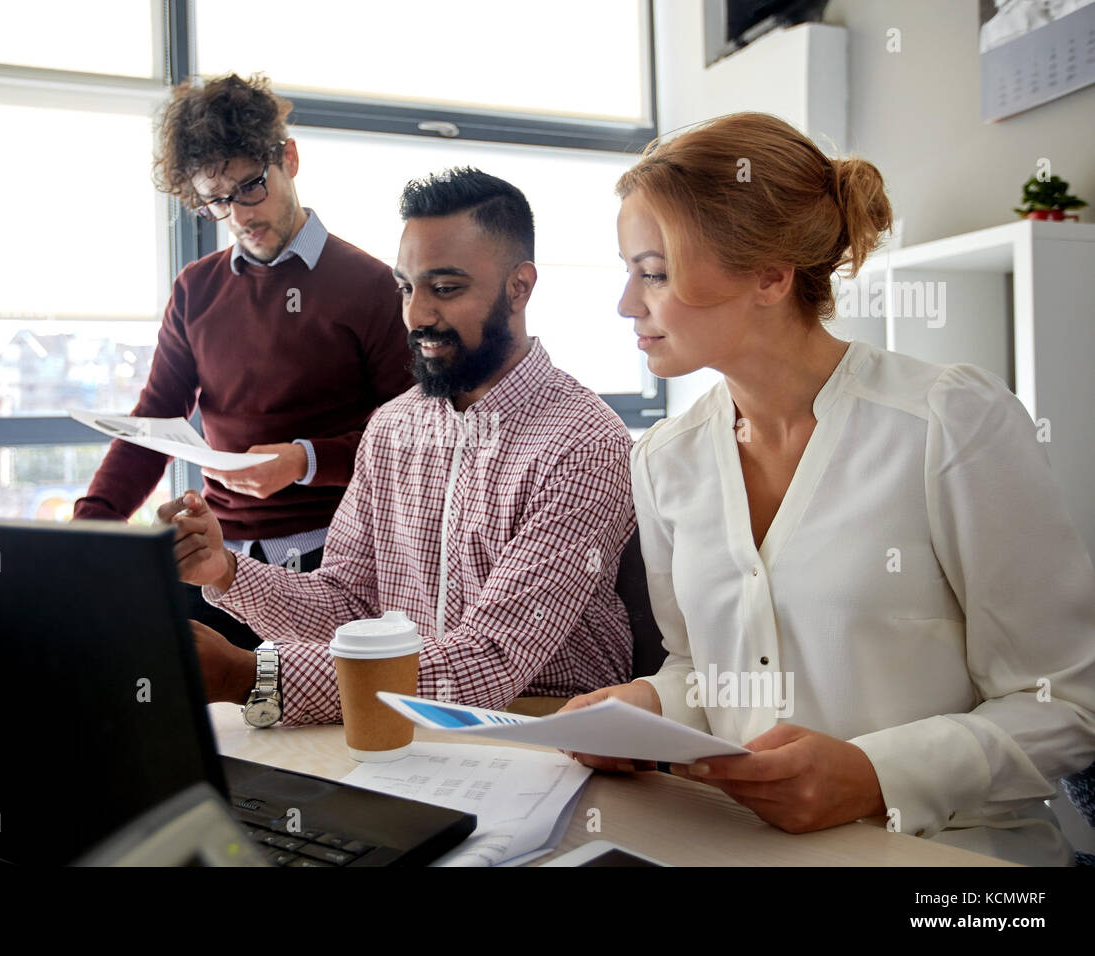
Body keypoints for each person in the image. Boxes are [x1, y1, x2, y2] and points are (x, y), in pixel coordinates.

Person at [564, 112, 1095, 867]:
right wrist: (647, 706)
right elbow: (702, 670)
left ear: (771, 276)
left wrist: (877, 775)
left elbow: (1069, 705)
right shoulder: (663, 459)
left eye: (653, 271)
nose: (627, 303)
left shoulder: (948, 423)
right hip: (736, 848)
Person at [159, 168, 635, 726]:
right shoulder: (392, 427)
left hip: (545, 735)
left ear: (520, 286)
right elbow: (348, 608)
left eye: (446, 288)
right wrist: (226, 572)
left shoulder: (585, 444)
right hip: (408, 727)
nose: (416, 315)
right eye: (406, 287)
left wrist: (252, 676)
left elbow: (490, 660)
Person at [73, 73, 415, 647]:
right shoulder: (196, 290)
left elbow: (409, 441)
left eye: (250, 187)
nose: (239, 216)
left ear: (289, 157)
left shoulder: (372, 286)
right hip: (217, 568)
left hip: (335, 568)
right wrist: (91, 531)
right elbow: (153, 419)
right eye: (216, 201)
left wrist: (302, 461)